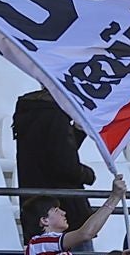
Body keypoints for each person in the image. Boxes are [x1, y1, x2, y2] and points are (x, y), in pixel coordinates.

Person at [12, 89, 95, 227]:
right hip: (63, 207)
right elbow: (64, 164)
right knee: (76, 246)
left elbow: (52, 151)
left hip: (36, 205)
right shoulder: (56, 114)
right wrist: (88, 175)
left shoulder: (29, 109)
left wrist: (78, 131)